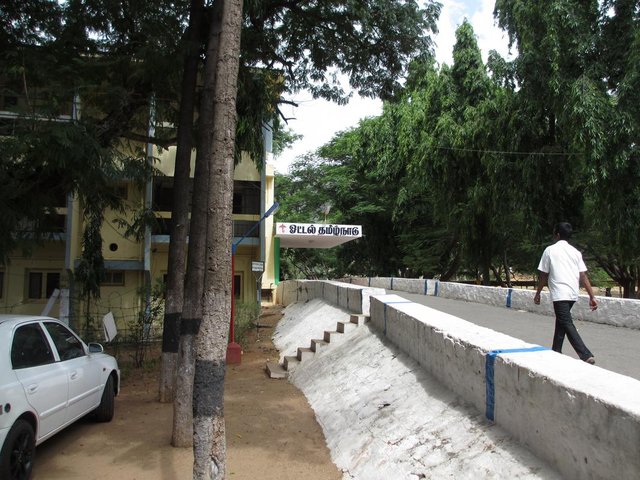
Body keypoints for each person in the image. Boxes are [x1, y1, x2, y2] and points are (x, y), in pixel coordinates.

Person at [533, 222, 597, 364]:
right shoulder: (576, 252)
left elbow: (543, 275)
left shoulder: (549, 250)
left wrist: (537, 293)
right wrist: (592, 296)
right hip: (573, 293)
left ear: (557, 235)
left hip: (559, 293)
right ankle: (556, 350)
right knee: (562, 321)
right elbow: (583, 276)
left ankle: (585, 354)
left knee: (566, 322)